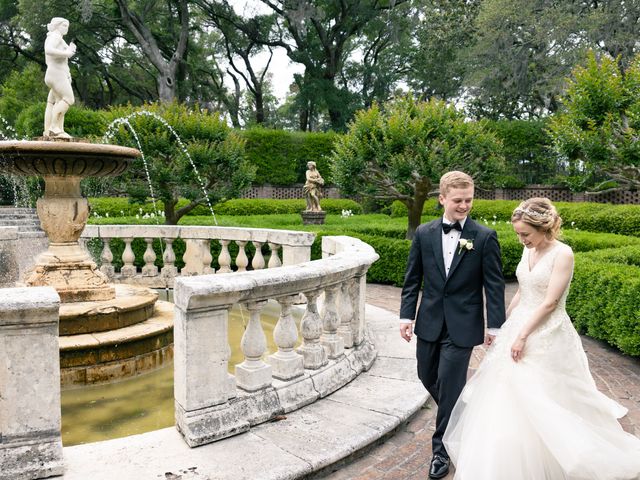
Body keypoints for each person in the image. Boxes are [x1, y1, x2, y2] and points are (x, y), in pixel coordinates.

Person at [443, 198, 640, 479]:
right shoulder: (529, 250)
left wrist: (522, 336)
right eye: (518, 234)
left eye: (526, 234)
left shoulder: (563, 254)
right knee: (504, 394)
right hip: (520, 323)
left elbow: (549, 303)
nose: (521, 240)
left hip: (547, 332)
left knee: (546, 396)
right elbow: (523, 291)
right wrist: (501, 326)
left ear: (544, 228)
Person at [400, 171, 506, 479]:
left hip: (463, 325)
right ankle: (462, 413)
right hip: (429, 321)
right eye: (458, 200)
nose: (464, 206)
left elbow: (494, 285)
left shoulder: (484, 236)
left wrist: (495, 326)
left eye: (469, 200)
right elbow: (412, 280)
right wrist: (406, 316)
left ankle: (441, 452)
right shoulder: (423, 233)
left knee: (448, 384)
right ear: (442, 199)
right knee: (427, 376)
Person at [43, 17, 76, 139]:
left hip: (53, 74)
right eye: (64, 26)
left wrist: (70, 50)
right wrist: (67, 53)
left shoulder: (57, 38)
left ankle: (51, 130)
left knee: (54, 102)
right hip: (56, 74)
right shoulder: (55, 37)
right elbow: (48, 50)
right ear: (57, 26)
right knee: (69, 99)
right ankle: (54, 127)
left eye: (67, 26)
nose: (66, 28)